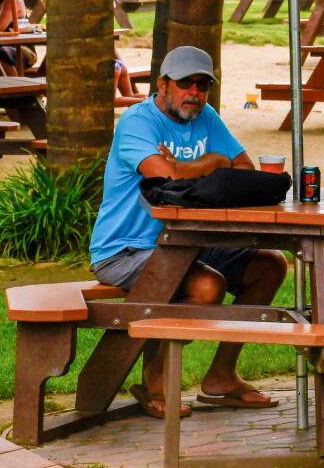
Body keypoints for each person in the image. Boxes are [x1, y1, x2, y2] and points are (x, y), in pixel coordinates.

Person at [90, 46, 288, 418]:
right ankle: (154, 379)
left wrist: (187, 165)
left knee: (269, 266)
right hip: (125, 250)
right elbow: (165, 178)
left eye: (202, 85)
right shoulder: (136, 122)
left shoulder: (206, 117)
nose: (194, 93)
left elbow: (243, 169)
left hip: (189, 243)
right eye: (185, 84)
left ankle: (221, 378)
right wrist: (212, 162)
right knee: (206, 286)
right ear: (161, 84)